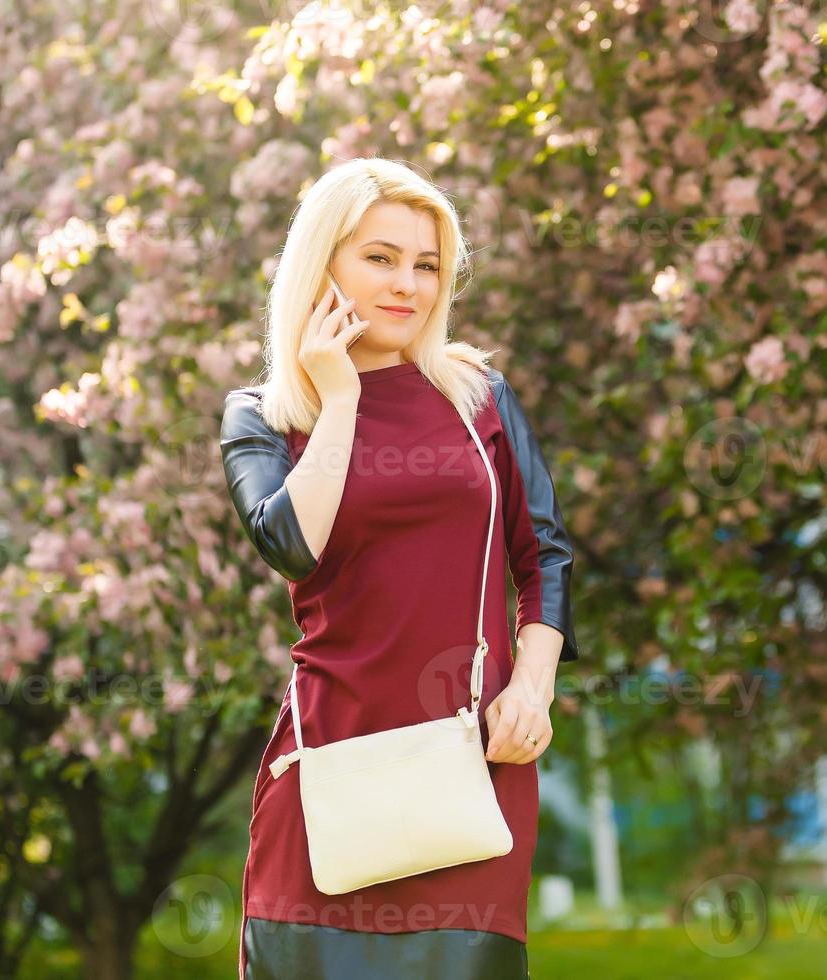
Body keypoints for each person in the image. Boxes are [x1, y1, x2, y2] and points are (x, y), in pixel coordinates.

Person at [219, 157, 579, 979]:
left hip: (471, 768)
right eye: (380, 257)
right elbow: (290, 545)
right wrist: (338, 397)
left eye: (426, 264)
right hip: (327, 774)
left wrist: (533, 686)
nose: (407, 284)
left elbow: (543, 551)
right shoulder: (266, 415)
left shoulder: (478, 395)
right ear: (324, 261)